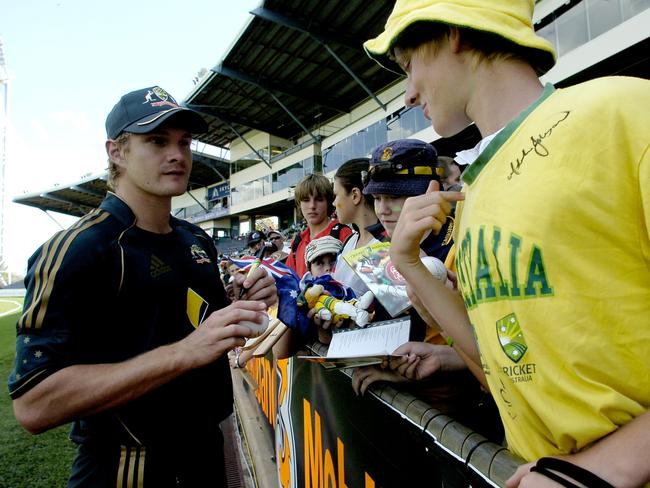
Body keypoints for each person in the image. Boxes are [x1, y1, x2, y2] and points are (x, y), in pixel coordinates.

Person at [365, 1, 650, 487]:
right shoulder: (475, 188)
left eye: (410, 65)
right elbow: (496, 352)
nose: (409, 93)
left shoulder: (623, 111)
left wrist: (597, 470)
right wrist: (407, 263)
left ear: (455, 32)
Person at [8, 85, 277, 487]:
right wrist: (184, 352)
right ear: (116, 152)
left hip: (206, 455)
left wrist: (246, 299)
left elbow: (198, 325)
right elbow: (34, 404)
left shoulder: (196, 240)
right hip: (127, 467)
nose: (178, 154)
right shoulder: (81, 249)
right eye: (156, 141)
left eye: (184, 142)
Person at [331, 158, 382, 298]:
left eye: (336, 195)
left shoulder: (380, 247)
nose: (334, 203)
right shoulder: (350, 240)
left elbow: (392, 315)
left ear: (355, 195)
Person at [285, 174, 353, 277]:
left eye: (319, 199)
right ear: (299, 203)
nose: (312, 206)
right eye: (306, 200)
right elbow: (289, 280)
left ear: (328, 202)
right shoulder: (297, 242)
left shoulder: (342, 233)